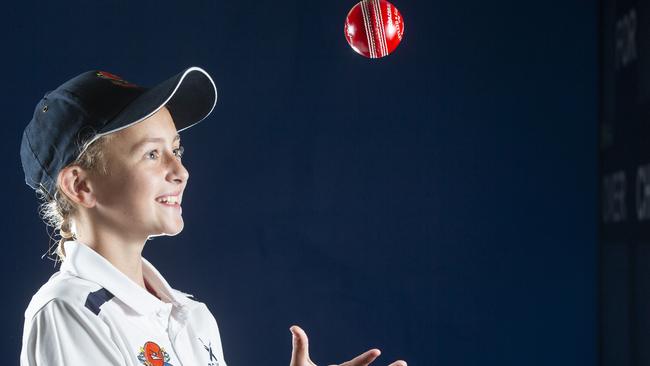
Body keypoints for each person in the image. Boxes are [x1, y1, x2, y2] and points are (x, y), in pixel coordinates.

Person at [19, 67, 407, 366]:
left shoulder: (193, 316)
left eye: (177, 150)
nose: (180, 171)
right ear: (81, 186)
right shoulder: (67, 311)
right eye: (152, 154)